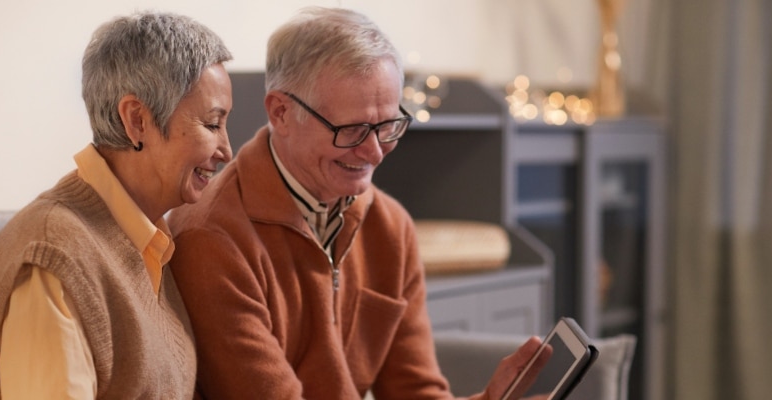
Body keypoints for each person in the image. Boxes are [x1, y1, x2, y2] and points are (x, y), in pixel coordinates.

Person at [167, 6, 547, 400]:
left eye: (388, 126)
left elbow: (414, 391)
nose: (375, 152)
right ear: (281, 112)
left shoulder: (391, 226)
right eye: (352, 129)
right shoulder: (212, 240)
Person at [0, 11, 233, 399]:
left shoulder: (149, 239)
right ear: (137, 120)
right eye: (211, 124)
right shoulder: (55, 259)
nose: (226, 149)